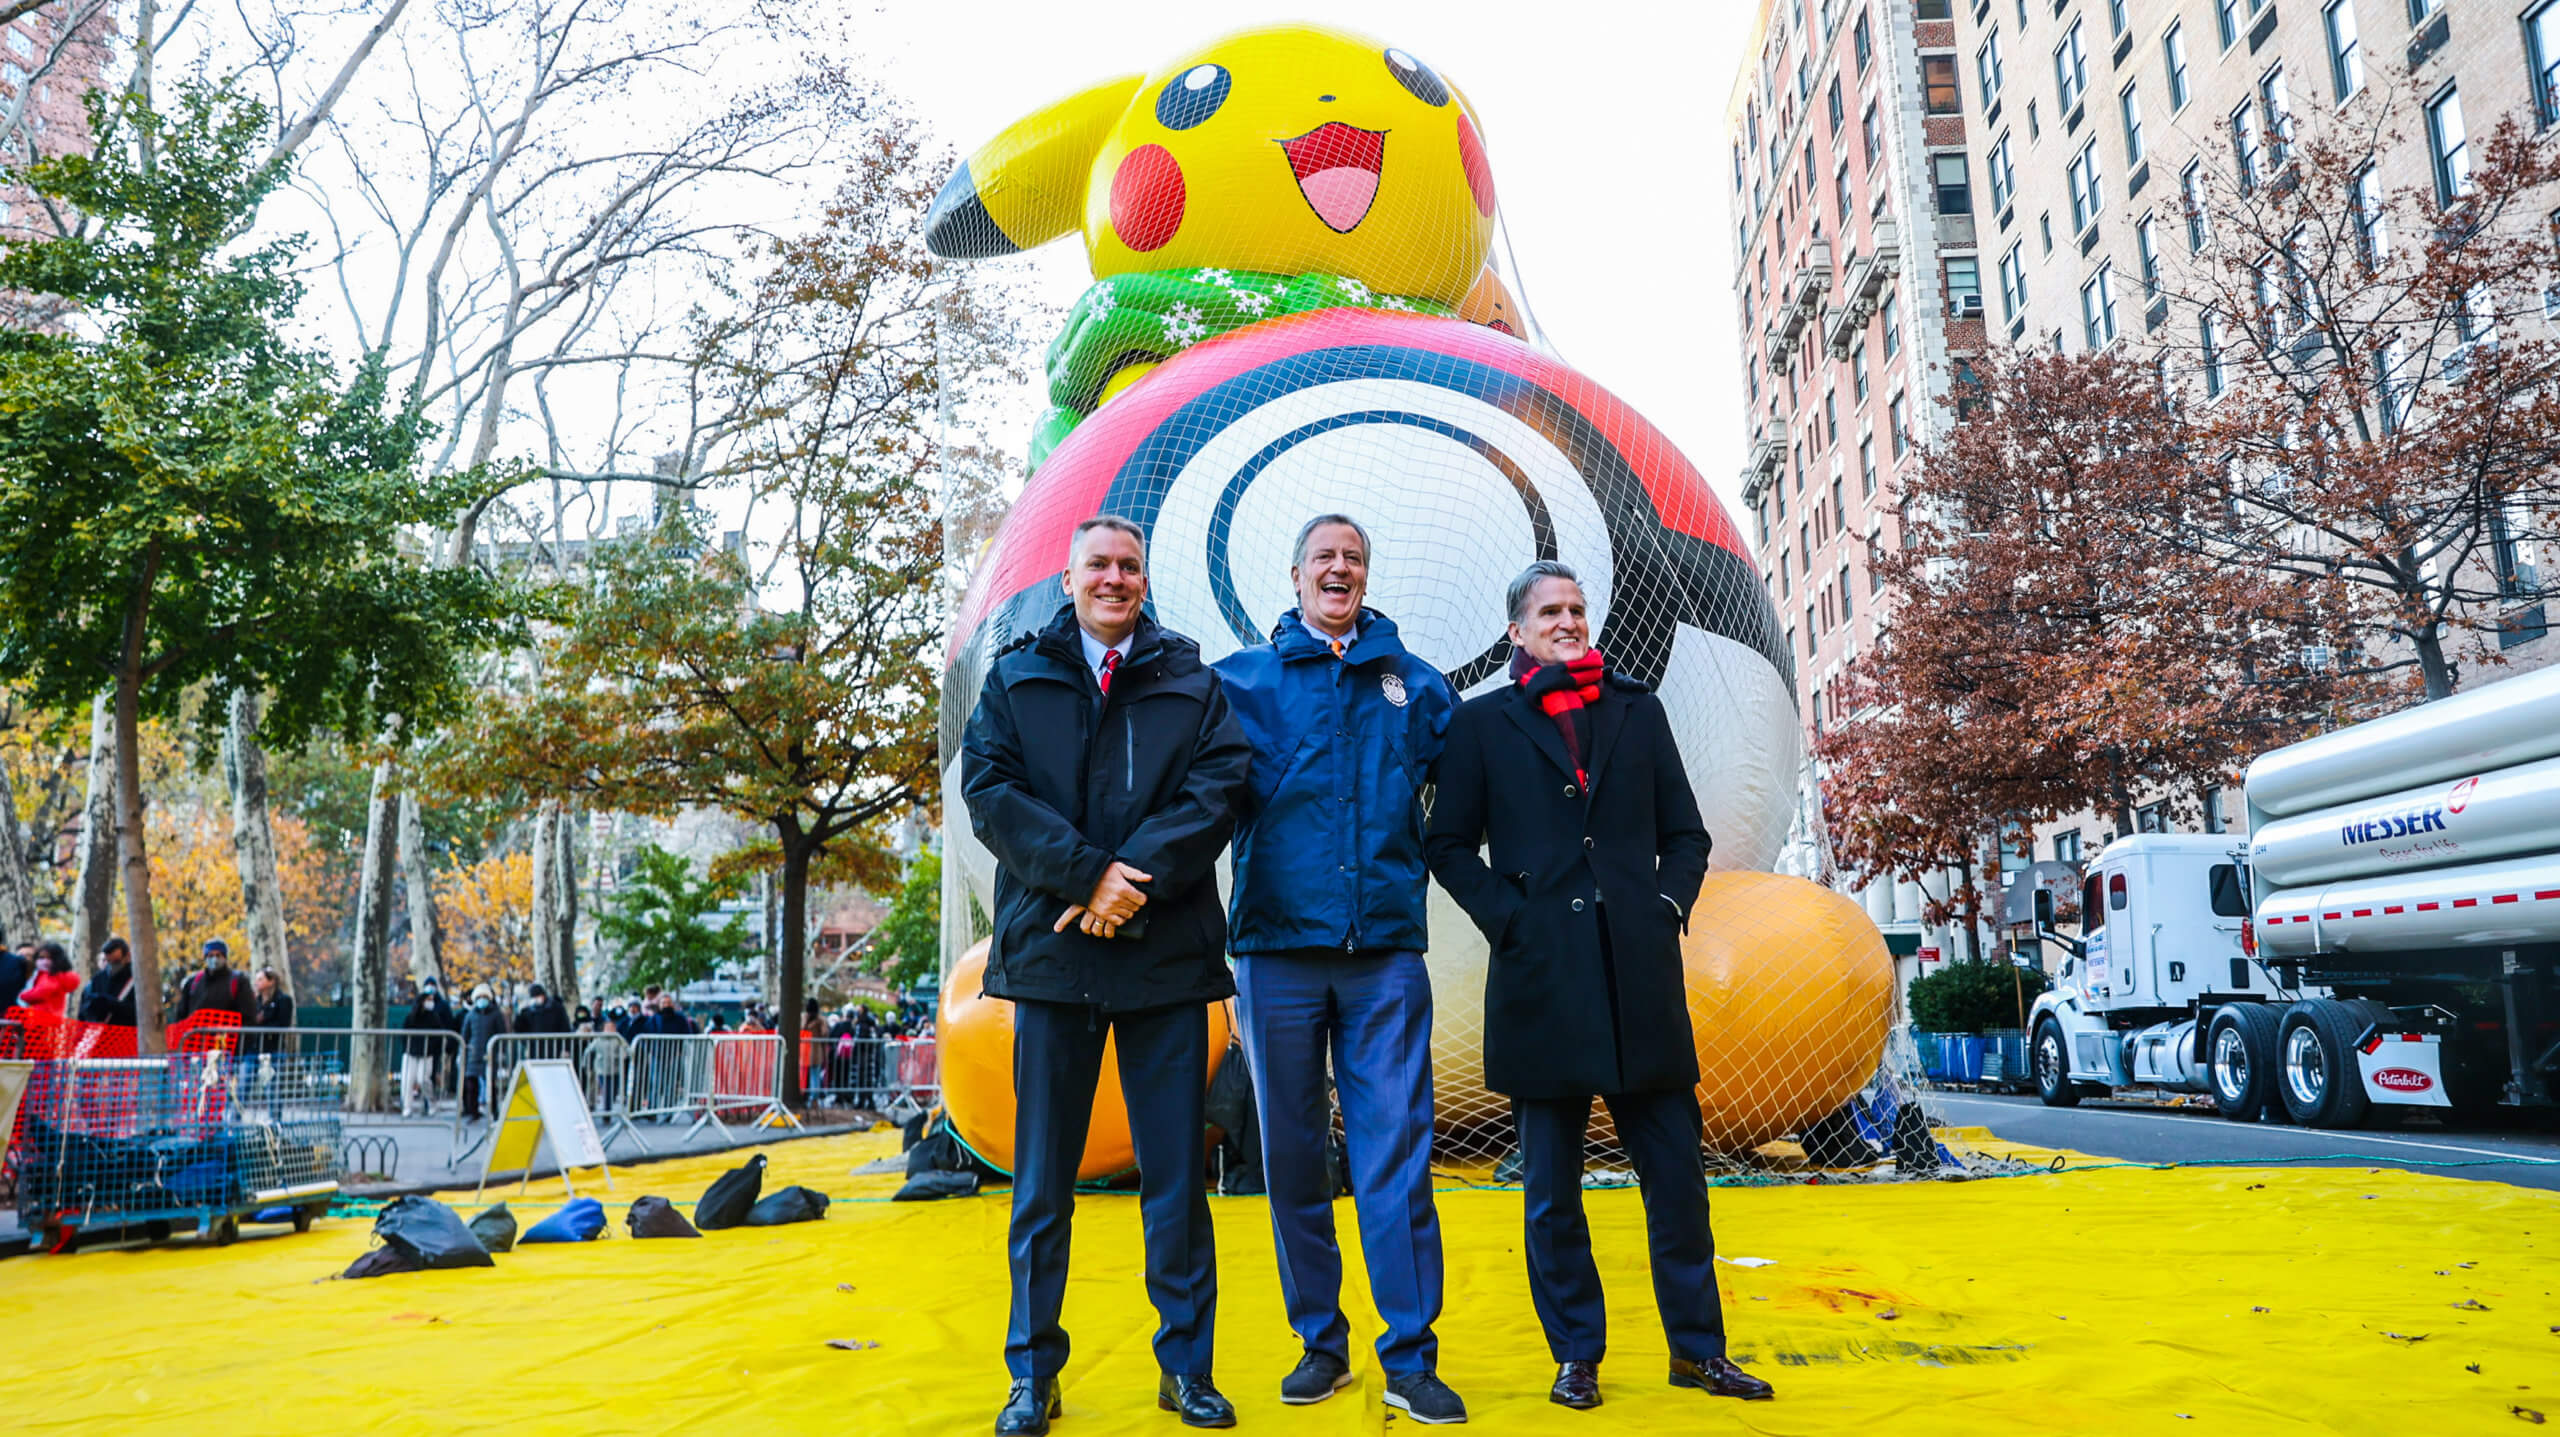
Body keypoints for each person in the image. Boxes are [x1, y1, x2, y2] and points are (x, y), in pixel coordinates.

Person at [1424, 561, 1774, 1410]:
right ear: (1517, 631)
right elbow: (1446, 843)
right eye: (1550, 610)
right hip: (1540, 985)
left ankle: (1698, 1350)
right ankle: (1576, 1354)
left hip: (1639, 980)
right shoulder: (1480, 725)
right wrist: (1511, 919)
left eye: (1577, 608)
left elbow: (1685, 836)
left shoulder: (1637, 710)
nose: (1569, 620)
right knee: (1551, 1195)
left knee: (1678, 1182)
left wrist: (1663, 906)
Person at [961, 514, 1252, 1435]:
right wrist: (1088, 875)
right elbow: (990, 792)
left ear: (1144, 580)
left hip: (1166, 961)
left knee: (1175, 1183)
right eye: (1098, 564)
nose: (1114, 578)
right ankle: (1031, 1375)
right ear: (1070, 577)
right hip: (1054, 961)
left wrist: (1129, 883)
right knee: (1043, 1184)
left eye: (1129, 565)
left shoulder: (1192, 682)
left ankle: (1187, 1369)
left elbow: (1218, 790)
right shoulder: (1016, 678)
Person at [1210, 514, 1465, 1423]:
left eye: (1353, 557)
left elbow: (1464, 800)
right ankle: (1320, 1341)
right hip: (1274, 954)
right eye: (1324, 556)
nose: (1339, 568)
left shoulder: (1418, 686)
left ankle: (1410, 1356)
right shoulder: (1237, 683)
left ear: (1366, 576)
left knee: (1397, 1151)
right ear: (1295, 575)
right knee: (1290, 1154)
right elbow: (1193, 801)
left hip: (1384, 955)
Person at [400, 980, 457, 1116]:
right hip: (411, 1052)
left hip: (427, 1053)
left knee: (423, 1079)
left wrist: (433, 1048)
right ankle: (407, 1107)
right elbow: (404, 1033)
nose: (430, 1002)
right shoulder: (411, 1016)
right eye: (428, 1000)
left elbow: (438, 1034)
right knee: (408, 1080)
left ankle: (431, 1103)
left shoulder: (434, 1017)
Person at [170, 940, 256, 1026]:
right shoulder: (193, 982)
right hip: (196, 1033)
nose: (214, 959)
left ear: (224, 957)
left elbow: (248, 1014)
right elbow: (181, 1014)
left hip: (227, 1033)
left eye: (218, 955)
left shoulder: (238, 981)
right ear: (205, 957)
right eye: (210, 955)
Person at [459, 984, 507, 1120]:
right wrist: (462, 1051)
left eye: (484, 996)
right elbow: (465, 1035)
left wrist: (501, 1052)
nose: (482, 999)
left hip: (489, 1054)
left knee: (490, 1085)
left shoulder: (496, 1014)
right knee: (471, 1085)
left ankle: (494, 1111)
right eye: (479, 997)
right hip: (473, 1054)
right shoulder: (470, 1015)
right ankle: (473, 1112)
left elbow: (501, 1033)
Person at [77, 938, 137, 1026]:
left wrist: (111, 1004)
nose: (111, 966)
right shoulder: (98, 979)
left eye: (116, 962)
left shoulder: (137, 981)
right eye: (108, 961)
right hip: (101, 1032)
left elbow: (142, 1012)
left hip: (127, 1031)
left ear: (128, 956)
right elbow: (83, 1013)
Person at [18, 942, 80, 1017]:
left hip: (43, 1018)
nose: (45, 961)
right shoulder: (43, 974)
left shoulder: (52, 977)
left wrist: (22, 995)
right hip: (48, 1017)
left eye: (49, 958)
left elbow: (40, 993)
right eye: (41, 957)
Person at [246, 966, 296, 1055]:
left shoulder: (283, 1000)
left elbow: (283, 1024)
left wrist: (261, 1023)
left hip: (273, 1049)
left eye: (260, 979)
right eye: (256, 979)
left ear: (271, 981)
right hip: (254, 1048)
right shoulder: (255, 1000)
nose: (256, 982)